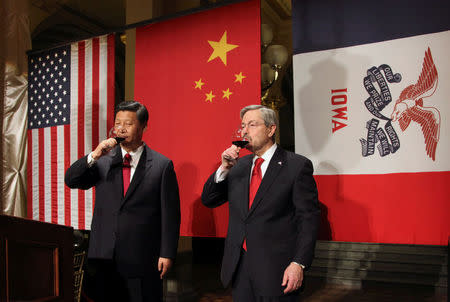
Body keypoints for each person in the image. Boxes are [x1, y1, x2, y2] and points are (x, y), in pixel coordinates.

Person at [201, 105, 320, 302]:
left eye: (252, 125)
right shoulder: (238, 167)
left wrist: (299, 263)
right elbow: (209, 200)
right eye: (243, 126)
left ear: (271, 129)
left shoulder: (296, 166)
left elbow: (308, 220)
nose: (245, 131)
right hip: (240, 269)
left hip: (278, 270)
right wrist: (223, 168)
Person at [65, 100, 180, 301]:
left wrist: (167, 253)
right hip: (103, 258)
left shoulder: (162, 166)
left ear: (143, 126)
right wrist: (94, 154)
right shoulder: (103, 161)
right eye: (118, 123)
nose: (121, 128)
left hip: (142, 257)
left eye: (128, 123)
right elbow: (72, 180)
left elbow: (170, 215)